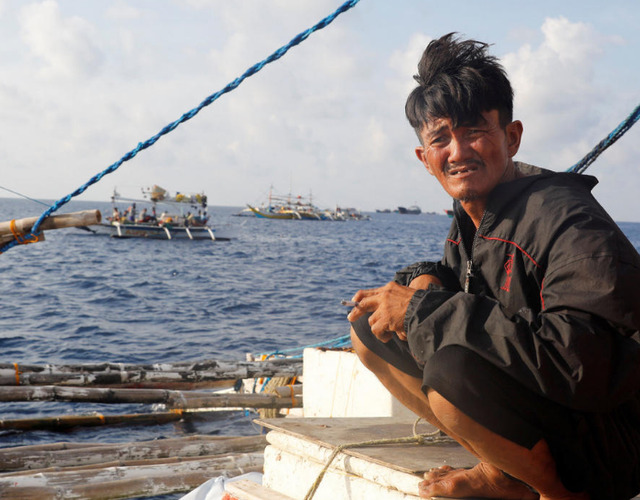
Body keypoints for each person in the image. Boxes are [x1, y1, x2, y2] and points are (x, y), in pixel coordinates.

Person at [347, 33, 640, 500]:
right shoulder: (475, 214)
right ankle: (504, 472)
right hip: (561, 414)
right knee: (368, 331)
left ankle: (558, 492)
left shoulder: (569, 221)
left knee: (451, 373)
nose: (458, 151)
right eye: (441, 139)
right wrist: (424, 281)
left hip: (617, 442)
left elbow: (586, 365)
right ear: (426, 159)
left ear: (512, 136)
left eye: (474, 131)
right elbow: (466, 283)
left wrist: (424, 310)